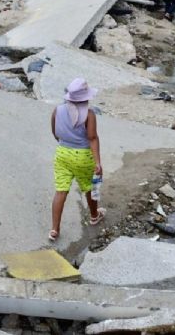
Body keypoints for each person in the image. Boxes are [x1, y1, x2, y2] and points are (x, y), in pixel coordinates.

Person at [49, 78, 104, 241]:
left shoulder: (57, 110)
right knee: (90, 187)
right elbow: (92, 138)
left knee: (61, 191)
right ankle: (94, 216)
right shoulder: (89, 114)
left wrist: (64, 145)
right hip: (83, 156)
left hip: (62, 154)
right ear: (85, 98)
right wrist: (98, 162)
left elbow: (55, 132)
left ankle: (54, 229)